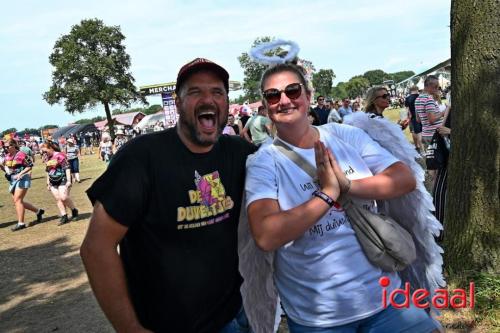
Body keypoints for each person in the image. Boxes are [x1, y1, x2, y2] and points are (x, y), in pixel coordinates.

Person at [244, 63, 441, 333]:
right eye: (273, 95)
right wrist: (327, 194)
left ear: (308, 96)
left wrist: (348, 185)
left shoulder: (344, 135)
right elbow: (266, 235)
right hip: (320, 318)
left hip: (387, 299)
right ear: (265, 107)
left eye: (292, 90)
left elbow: (404, 178)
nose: (284, 100)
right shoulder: (264, 162)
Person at [80, 57, 257, 333]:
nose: (208, 100)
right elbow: (96, 248)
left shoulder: (240, 153)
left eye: (217, 92)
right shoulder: (140, 159)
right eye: (195, 92)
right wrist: (129, 328)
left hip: (236, 312)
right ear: (177, 102)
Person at [2, 139, 45, 231]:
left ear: (13, 146)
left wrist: (20, 174)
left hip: (23, 179)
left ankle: (21, 223)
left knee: (17, 200)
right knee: (18, 201)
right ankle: (38, 211)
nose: (5, 148)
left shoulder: (21, 154)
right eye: (4, 147)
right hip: (13, 180)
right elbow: (6, 168)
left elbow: (30, 165)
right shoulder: (7, 156)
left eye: (7, 146)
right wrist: (3, 168)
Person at [41, 141, 79, 225]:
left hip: (63, 178)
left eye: (45, 151)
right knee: (58, 198)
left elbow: (67, 167)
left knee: (64, 197)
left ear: (50, 148)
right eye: (43, 151)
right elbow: (48, 171)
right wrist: (48, 183)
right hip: (52, 181)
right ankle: (64, 216)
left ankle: (74, 210)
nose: (44, 153)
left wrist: (69, 180)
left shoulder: (60, 155)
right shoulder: (47, 157)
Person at [415, 75, 444, 147]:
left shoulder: (417, 99)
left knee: (430, 157)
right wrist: (444, 112)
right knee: (440, 158)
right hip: (434, 135)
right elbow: (432, 120)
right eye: (436, 86)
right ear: (429, 86)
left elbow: (418, 119)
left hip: (425, 134)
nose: (437, 89)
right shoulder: (428, 99)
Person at [405, 86, 423, 153]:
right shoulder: (421, 97)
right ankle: (421, 148)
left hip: (413, 118)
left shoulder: (407, 98)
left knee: (414, 132)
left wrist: (408, 118)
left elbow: (407, 110)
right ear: (417, 89)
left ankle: (418, 147)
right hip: (422, 116)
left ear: (410, 90)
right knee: (421, 133)